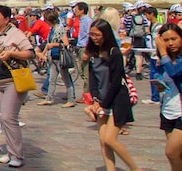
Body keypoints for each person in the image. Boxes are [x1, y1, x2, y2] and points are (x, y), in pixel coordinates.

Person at [0, 4, 35, 168]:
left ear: (6, 19)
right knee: (3, 118)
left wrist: (12, 53)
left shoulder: (16, 34)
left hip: (13, 81)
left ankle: (17, 154)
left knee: (9, 117)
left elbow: (29, 53)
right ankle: (11, 151)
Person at [84, 18, 139, 171]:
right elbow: (92, 79)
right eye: (92, 35)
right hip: (101, 99)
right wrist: (95, 100)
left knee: (110, 139)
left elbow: (116, 81)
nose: (94, 38)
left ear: (105, 34)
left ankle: (135, 168)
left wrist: (103, 103)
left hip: (116, 99)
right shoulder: (93, 54)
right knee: (103, 140)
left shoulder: (114, 53)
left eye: (97, 35)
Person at [155, 22, 182, 170]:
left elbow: (175, 72)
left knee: (171, 152)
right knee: (177, 156)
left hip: (180, 113)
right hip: (168, 109)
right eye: (166, 40)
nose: (170, 43)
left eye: (174, 38)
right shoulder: (164, 60)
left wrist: (163, 53)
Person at [38, 9, 76, 108]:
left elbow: (66, 43)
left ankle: (71, 99)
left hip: (60, 57)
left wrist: (53, 45)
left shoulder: (60, 29)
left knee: (66, 78)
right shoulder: (52, 29)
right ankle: (49, 98)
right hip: (53, 57)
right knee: (52, 79)